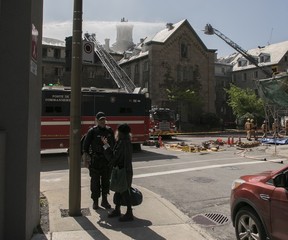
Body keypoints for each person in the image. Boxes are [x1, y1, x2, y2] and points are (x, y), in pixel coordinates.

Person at [82, 112, 115, 210]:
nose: (102, 121)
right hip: (95, 161)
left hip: (106, 161)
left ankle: (104, 201)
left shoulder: (109, 131)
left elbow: (113, 145)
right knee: (95, 183)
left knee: (106, 182)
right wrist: (86, 159)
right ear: (96, 120)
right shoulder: (92, 131)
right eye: (100, 120)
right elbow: (85, 146)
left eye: (104, 120)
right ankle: (95, 201)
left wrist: (111, 156)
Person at [102, 123, 134, 222]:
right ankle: (117, 209)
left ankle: (129, 213)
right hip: (125, 169)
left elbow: (113, 158)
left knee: (124, 191)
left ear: (120, 133)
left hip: (122, 170)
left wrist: (106, 146)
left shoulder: (122, 143)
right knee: (119, 190)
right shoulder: (127, 141)